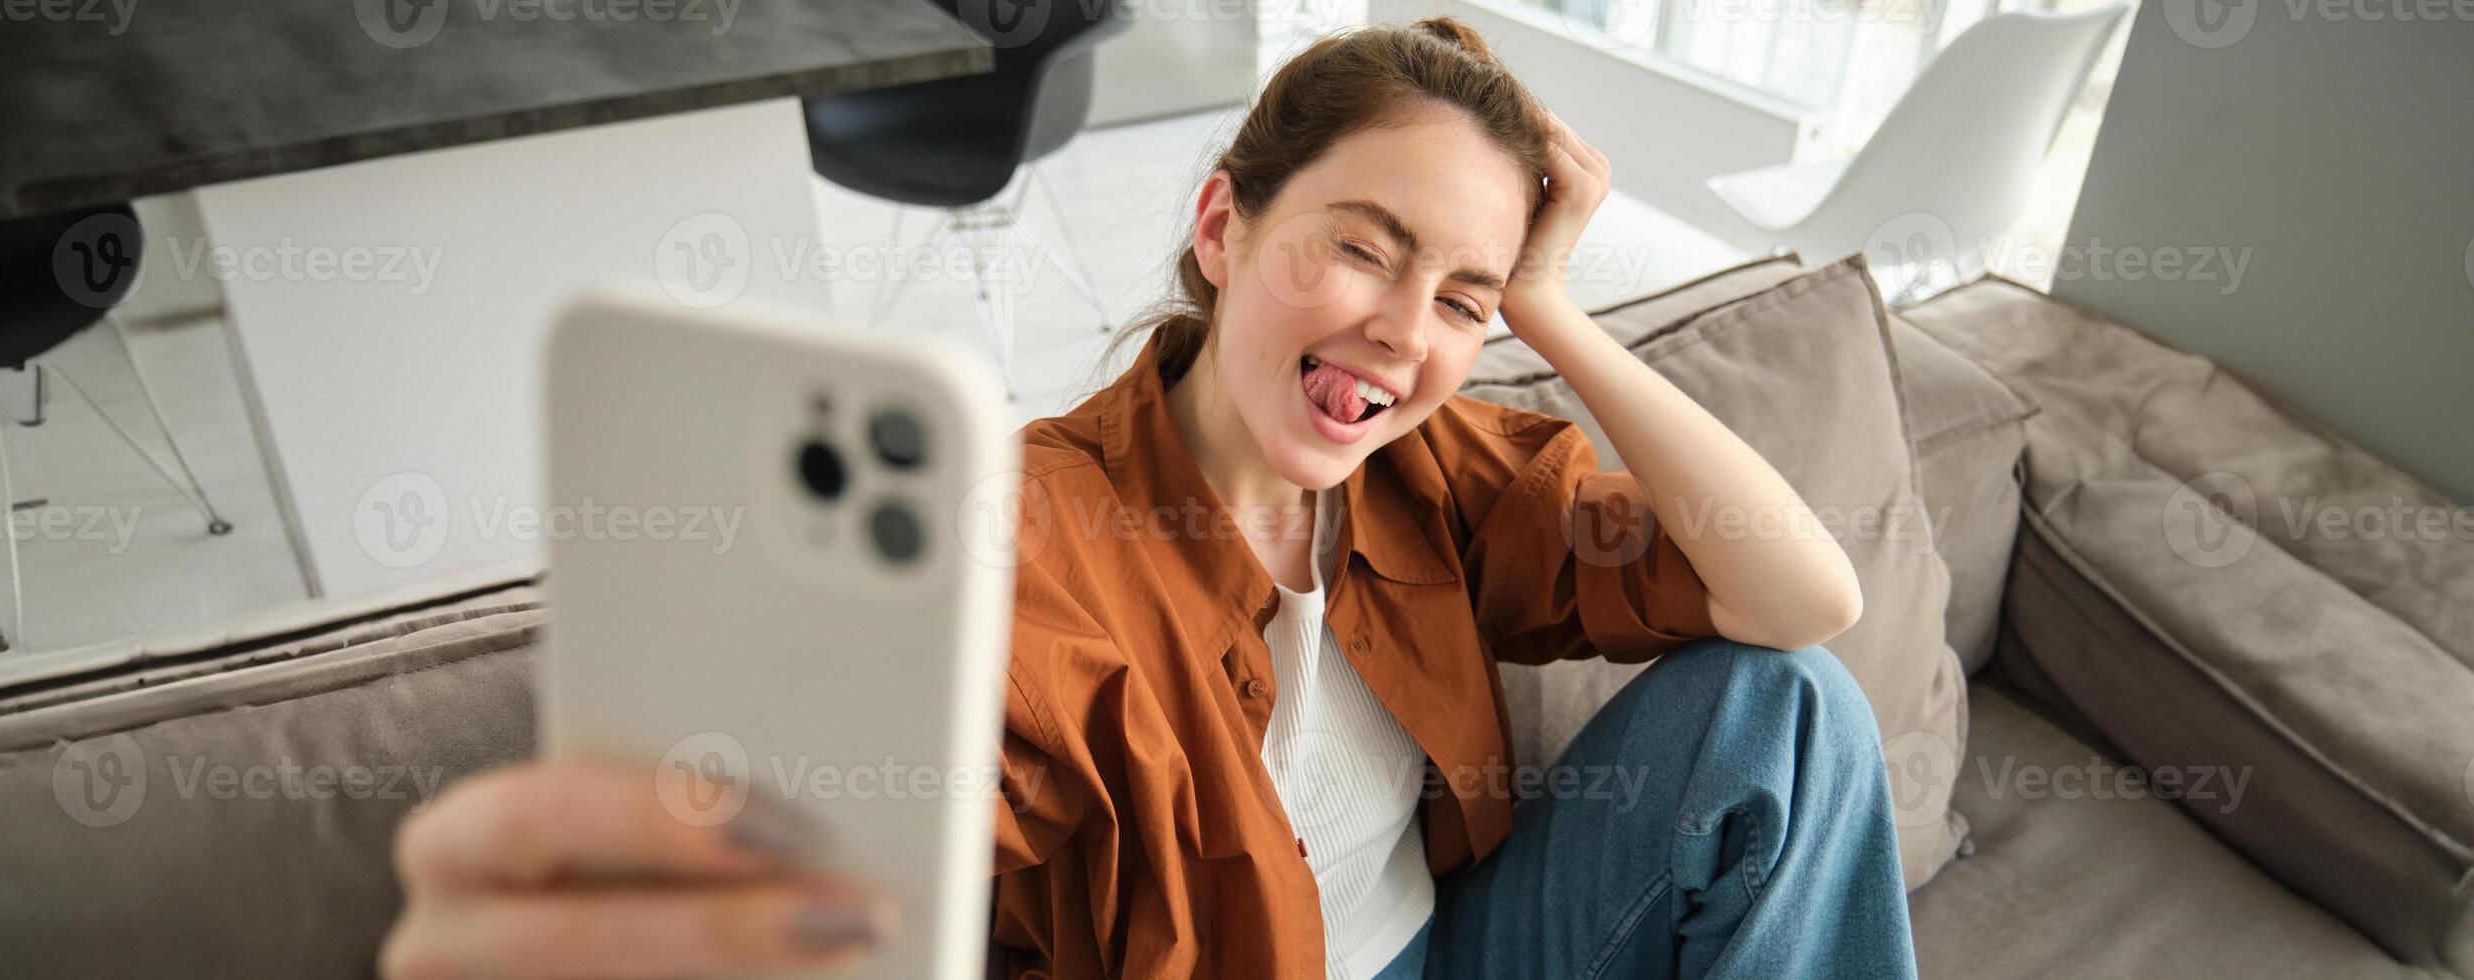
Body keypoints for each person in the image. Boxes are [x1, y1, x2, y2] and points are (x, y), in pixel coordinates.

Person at [378, 17, 1918, 980]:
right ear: (1220, 225)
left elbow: (1804, 604)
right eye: (1367, 246)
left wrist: (1557, 315)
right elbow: (865, 843)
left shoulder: (1432, 469)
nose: (1401, 330)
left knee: (1790, 711)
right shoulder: (1040, 540)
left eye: (1463, 293)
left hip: (1456, 953)